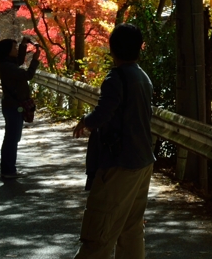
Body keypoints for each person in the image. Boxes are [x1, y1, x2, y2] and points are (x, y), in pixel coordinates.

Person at [72, 24, 155, 259]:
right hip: (143, 160)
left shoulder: (116, 78)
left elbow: (103, 113)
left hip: (120, 163)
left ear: (112, 48)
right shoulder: (142, 77)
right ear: (140, 48)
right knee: (131, 229)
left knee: (100, 230)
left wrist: (85, 121)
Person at [0, 37, 40, 180]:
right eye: (14, 48)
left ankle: (8, 169)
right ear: (7, 51)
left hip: (12, 106)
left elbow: (19, 61)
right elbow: (27, 75)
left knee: (12, 138)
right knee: (12, 139)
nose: (16, 50)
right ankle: (8, 170)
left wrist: (23, 44)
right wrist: (35, 60)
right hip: (14, 107)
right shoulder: (7, 66)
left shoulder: (7, 63)